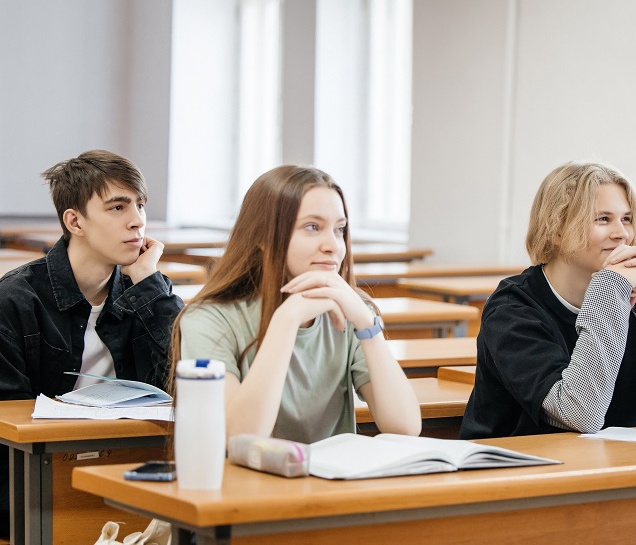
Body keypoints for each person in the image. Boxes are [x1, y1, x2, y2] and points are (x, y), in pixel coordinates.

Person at [460, 162, 636, 440]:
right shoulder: (512, 309)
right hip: (518, 475)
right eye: (603, 219)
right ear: (556, 229)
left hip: (611, 471)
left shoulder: (635, 303)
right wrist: (608, 289)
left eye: (626, 219)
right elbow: (580, 414)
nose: (623, 234)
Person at [0, 150, 183, 538]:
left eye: (140, 205)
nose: (137, 221)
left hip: (136, 471)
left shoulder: (149, 289)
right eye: (117, 207)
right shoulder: (16, 300)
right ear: (75, 221)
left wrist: (150, 285)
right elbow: (7, 429)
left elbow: (191, 375)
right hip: (40, 482)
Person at [171, 165, 421, 443]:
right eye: (312, 227)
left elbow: (405, 426)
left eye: (339, 229)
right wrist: (287, 319)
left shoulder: (352, 312)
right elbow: (240, 436)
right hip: (247, 484)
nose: (333, 246)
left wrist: (366, 323)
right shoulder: (208, 319)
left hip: (332, 482)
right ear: (263, 237)